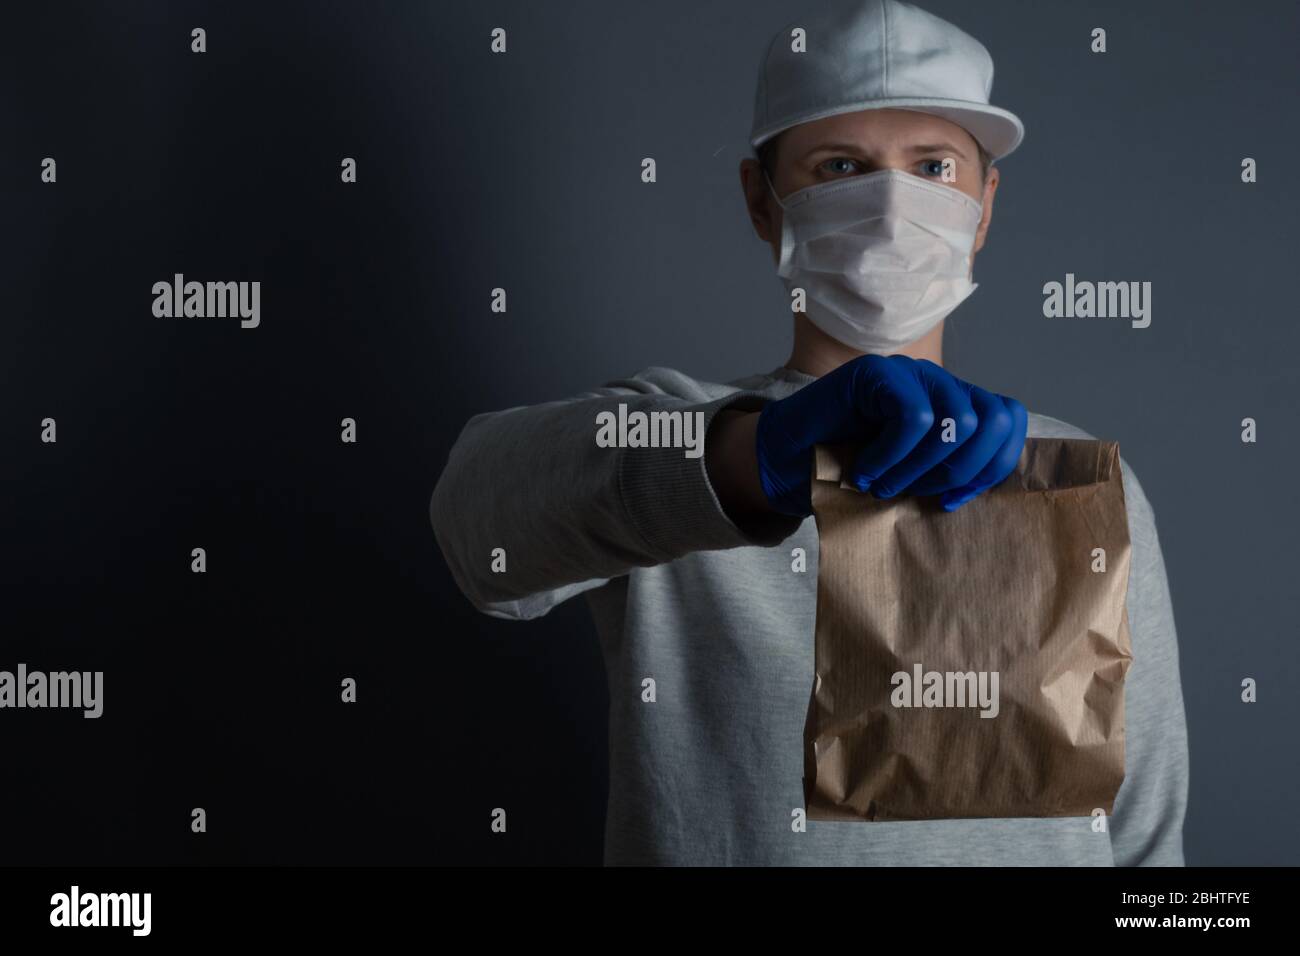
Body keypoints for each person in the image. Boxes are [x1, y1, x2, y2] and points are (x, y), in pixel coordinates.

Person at [431, 0, 1188, 865]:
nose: (894, 204)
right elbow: (475, 526)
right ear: (763, 200)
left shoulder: (1084, 487)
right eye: (840, 166)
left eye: (934, 166)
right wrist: (749, 463)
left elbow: (1148, 851)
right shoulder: (674, 441)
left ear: (984, 206)